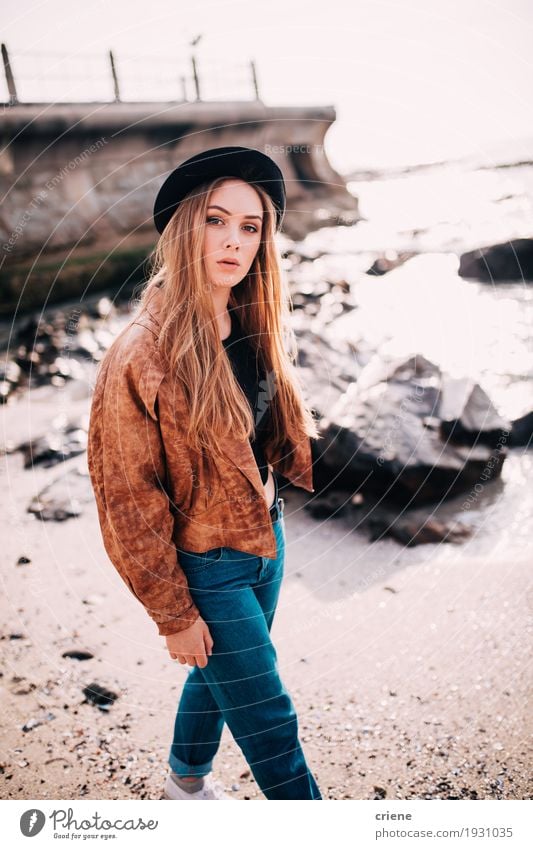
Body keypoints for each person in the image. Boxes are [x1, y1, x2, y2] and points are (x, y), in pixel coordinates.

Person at [87, 146, 323, 801]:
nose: (234, 240)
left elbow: (258, 431)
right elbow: (126, 496)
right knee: (271, 720)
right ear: (185, 228)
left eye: (250, 227)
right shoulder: (141, 352)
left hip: (265, 541)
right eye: (216, 220)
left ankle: (183, 781)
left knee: (221, 676)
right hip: (207, 564)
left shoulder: (251, 317)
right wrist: (172, 613)